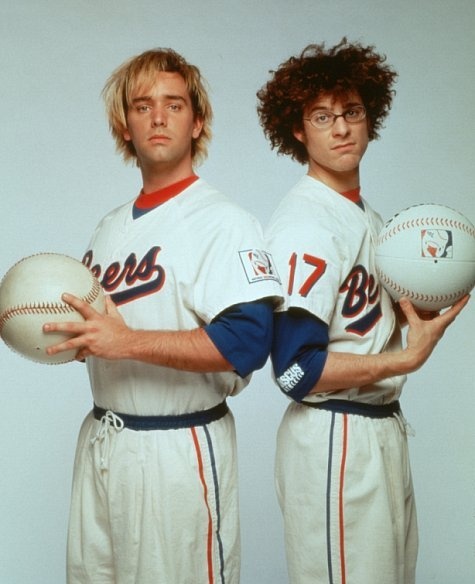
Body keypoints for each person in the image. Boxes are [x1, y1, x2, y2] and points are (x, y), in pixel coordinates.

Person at [44, 48, 282, 584]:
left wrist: (124, 342)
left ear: (197, 122)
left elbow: (247, 344)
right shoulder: (107, 229)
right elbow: (101, 336)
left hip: (181, 449)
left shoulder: (226, 222)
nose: (158, 116)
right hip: (103, 442)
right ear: (123, 126)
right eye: (142, 105)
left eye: (174, 105)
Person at [256, 39, 469, 584]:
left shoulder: (371, 220)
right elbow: (296, 371)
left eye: (352, 112)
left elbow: (363, 326)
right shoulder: (308, 224)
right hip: (335, 438)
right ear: (298, 131)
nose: (342, 128)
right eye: (322, 117)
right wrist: (404, 360)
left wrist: (416, 310)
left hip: (377, 430)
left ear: (370, 117)